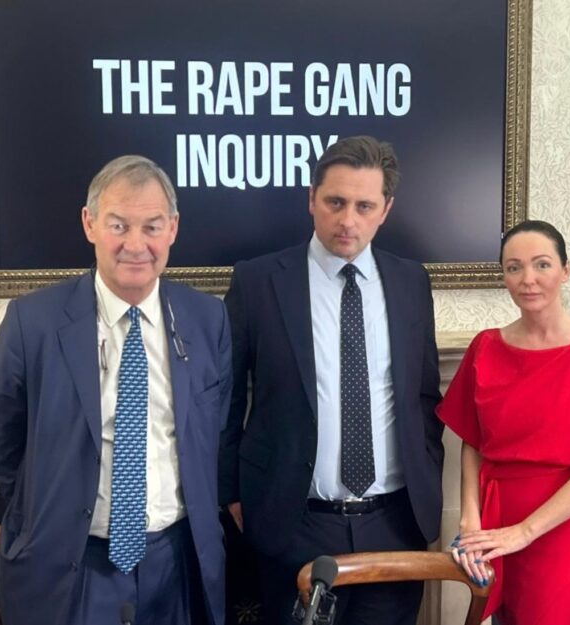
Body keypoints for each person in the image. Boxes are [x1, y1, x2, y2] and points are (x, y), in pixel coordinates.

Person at [0, 155, 232, 625]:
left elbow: (213, 431)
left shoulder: (207, 319)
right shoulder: (32, 322)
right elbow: (3, 438)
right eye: (118, 225)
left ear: (173, 229)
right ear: (89, 223)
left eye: (151, 227)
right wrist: (45, 508)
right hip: (71, 564)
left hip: (179, 561)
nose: (136, 245)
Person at [218, 135, 444, 625]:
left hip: (394, 523)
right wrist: (232, 493)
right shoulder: (258, 281)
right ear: (311, 199)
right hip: (292, 522)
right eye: (335, 202)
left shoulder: (411, 281)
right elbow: (227, 398)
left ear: (385, 209)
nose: (347, 220)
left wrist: (426, 480)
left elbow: (424, 395)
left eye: (364, 206)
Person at [439, 220, 570, 624]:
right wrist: (470, 519)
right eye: (514, 267)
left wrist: (525, 531)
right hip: (494, 522)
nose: (528, 279)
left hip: (561, 530)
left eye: (542, 264)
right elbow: (473, 443)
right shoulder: (485, 346)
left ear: (566, 270)